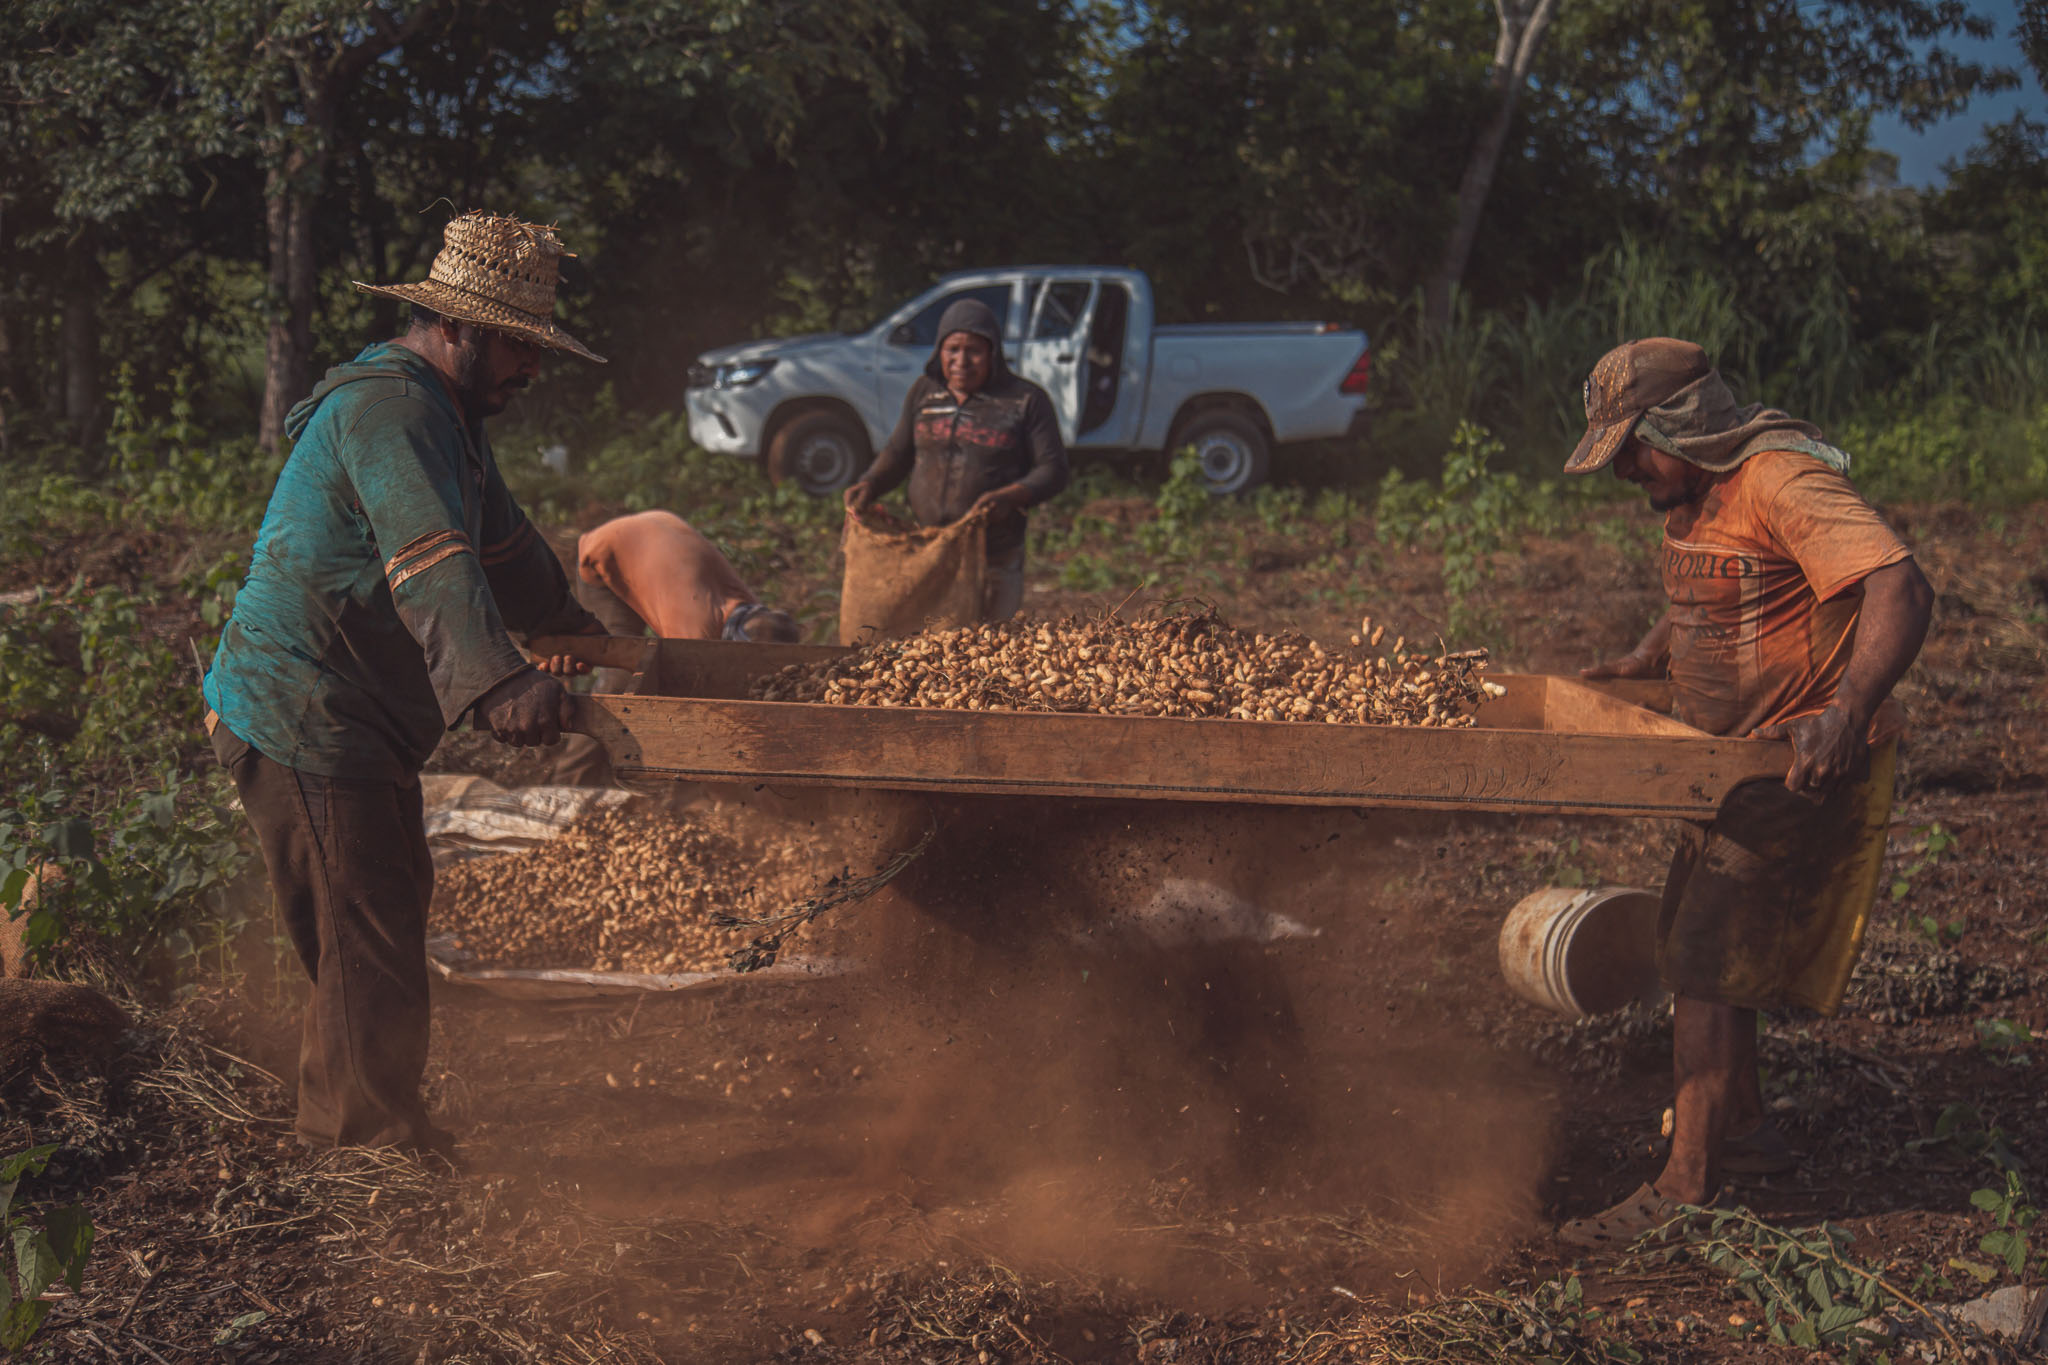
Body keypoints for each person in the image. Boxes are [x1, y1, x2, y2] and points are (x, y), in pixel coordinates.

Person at [201, 211, 608, 1161]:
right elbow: (430, 561)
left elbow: (501, 544)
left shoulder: (448, 417)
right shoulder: (391, 409)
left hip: (354, 712)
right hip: (304, 706)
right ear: (457, 327)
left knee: (378, 911)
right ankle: (361, 1151)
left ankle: (370, 1123)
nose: (530, 367)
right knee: (366, 932)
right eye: (517, 343)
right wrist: (498, 682)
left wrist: (569, 626)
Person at [1553, 338, 1933, 1246]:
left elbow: (1902, 585)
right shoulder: (1695, 492)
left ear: (1682, 427)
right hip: (1720, 764)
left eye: (1633, 448)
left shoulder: (1783, 480)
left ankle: (1686, 1185)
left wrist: (1847, 711)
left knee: (1700, 958)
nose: (1624, 473)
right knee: (1701, 943)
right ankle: (1747, 1132)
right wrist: (1650, 657)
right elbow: (1723, 578)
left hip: (1794, 760)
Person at [842, 299, 1069, 620]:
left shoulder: (1024, 400)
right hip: (931, 551)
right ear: (939, 351)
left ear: (992, 353)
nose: (962, 360)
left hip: (993, 554)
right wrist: (870, 482)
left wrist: (1010, 496)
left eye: (973, 351)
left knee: (989, 645)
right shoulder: (925, 393)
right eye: (953, 350)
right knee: (933, 644)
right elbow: (898, 453)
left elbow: (1053, 470)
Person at [548, 509, 800, 785]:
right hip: (606, 552)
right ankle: (569, 781)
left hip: (656, 530)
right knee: (620, 679)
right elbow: (687, 703)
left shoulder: (751, 610)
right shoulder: (695, 632)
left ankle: (612, 767)